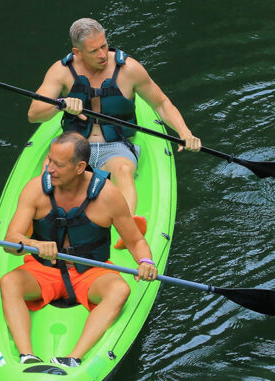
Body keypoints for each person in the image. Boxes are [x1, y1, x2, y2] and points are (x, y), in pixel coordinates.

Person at [28, 17, 201, 248]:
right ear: (77, 52)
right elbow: (34, 114)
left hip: (116, 145)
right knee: (49, 173)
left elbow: (161, 104)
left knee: (123, 169)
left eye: (104, 46)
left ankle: (127, 229)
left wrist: (184, 131)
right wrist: (60, 103)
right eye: (94, 50)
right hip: (77, 144)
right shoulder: (61, 71)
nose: (102, 54)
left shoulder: (129, 69)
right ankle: (40, 223)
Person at [0, 131, 158, 368]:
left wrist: (146, 261)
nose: (50, 168)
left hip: (90, 272)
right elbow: (11, 241)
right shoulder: (35, 189)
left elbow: (135, 241)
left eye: (58, 164)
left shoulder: (107, 195)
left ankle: (73, 358)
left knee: (119, 289)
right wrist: (35, 244)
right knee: (9, 282)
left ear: (80, 167)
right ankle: (26, 356)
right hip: (44, 271)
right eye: (50, 161)